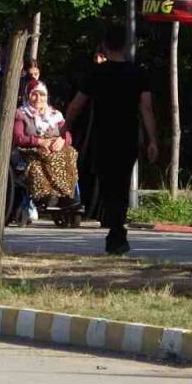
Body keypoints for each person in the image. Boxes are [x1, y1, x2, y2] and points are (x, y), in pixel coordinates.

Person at [65, 25, 158, 255]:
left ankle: (116, 231)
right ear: (127, 46)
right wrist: (152, 140)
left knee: (108, 186)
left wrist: (65, 127)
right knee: (122, 184)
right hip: (127, 137)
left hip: (102, 135)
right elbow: (146, 109)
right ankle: (117, 231)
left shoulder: (96, 73)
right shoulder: (138, 73)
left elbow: (76, 105)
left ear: (105, 45)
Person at [14, 80, 78, 212]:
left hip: (55, 146)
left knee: (69, 152)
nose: (38, 98)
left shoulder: (55, 114)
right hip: (31, 149)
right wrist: (39, 142)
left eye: (42, 94)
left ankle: (66, 195)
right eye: (34, 94)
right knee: (42, 157)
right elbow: (18, 137)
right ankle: (46, 194)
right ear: (27, 95)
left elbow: (67, 135)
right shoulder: (21, 113)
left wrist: (62, 141)